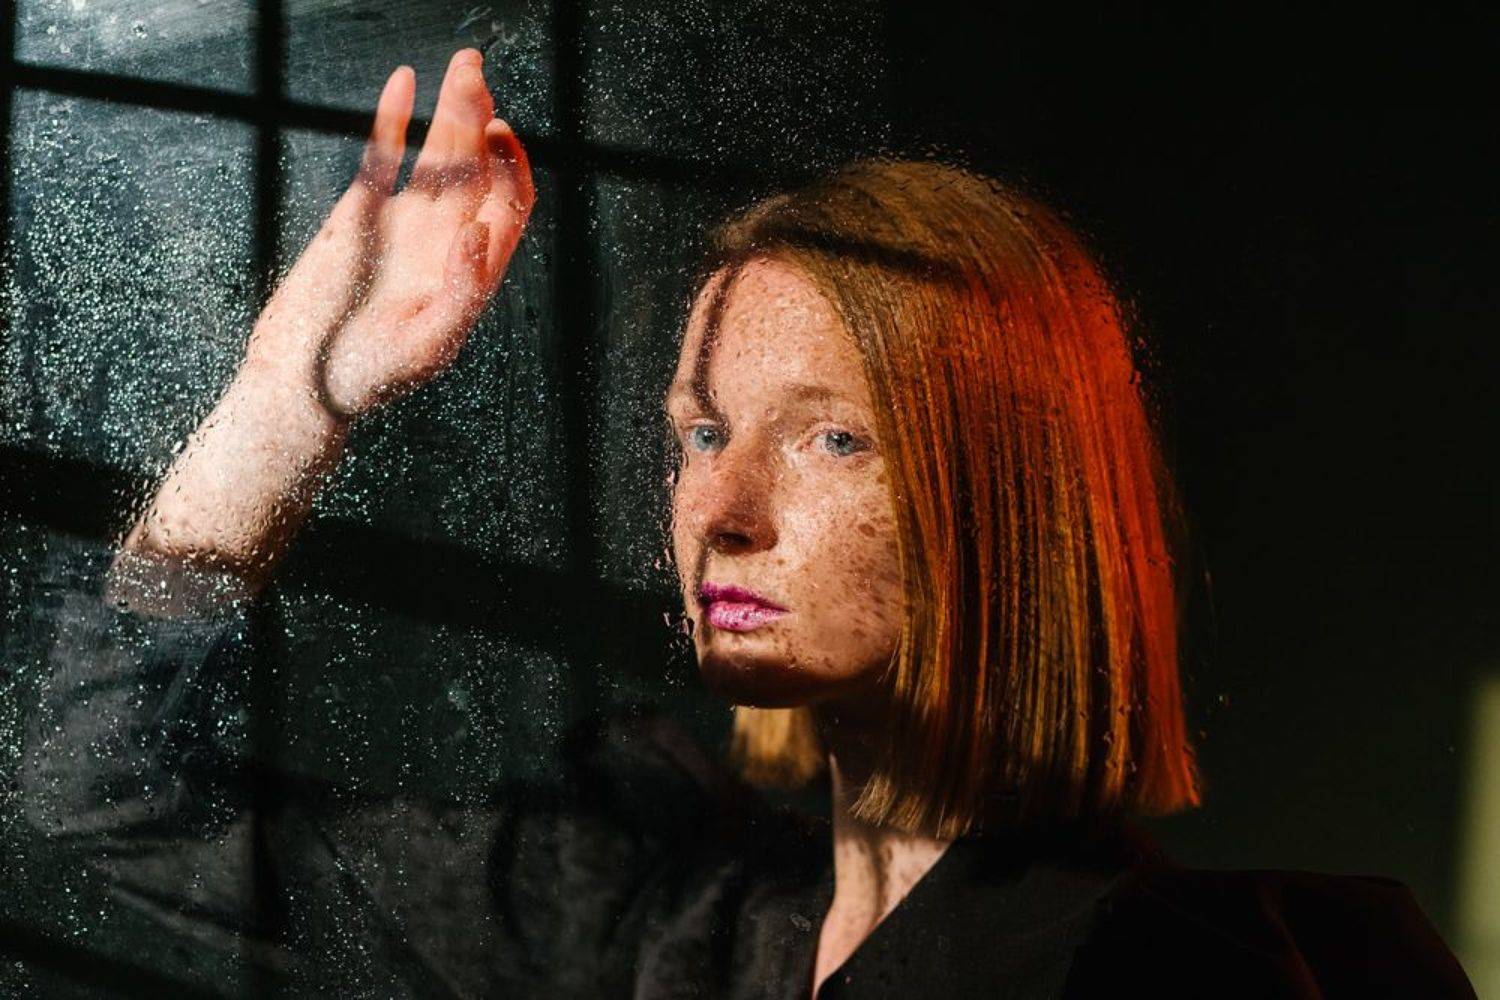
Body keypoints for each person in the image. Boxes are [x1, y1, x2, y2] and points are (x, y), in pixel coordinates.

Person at [17, 47, 1477, 999]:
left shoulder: (1194, 975)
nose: (715, 510)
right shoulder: (650, 909)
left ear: (1010, 494)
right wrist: (295, 391)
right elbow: (111, 797)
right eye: (701, 434)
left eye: (832, 436)